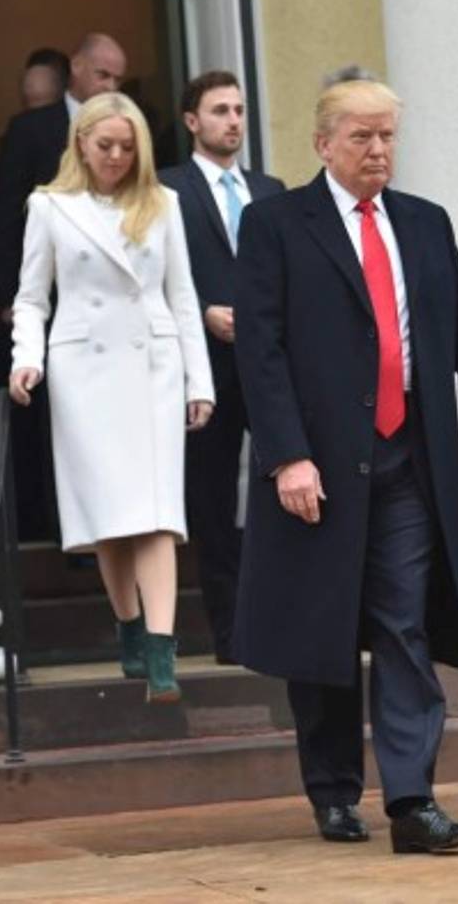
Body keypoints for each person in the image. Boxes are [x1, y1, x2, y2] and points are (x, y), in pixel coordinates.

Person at [232, 77, 458, 853]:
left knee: (404, 621)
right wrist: (288, 457)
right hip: (319, 463)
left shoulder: (425, 223)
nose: (378, 151)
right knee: (323, 629)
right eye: (362, 137)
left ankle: (412, 802)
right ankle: (335, 793)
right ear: (323, 144)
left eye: (388, 136)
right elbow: (261, 351)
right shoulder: (275, 225)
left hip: (409, 458)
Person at [7, 92, 215, 702]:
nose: (117, 157)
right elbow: (31, 298)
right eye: (106, 146)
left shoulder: (164, 203)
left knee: (156, 514)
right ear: (81, 143)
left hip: (152, 368)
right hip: (85, 373)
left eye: (127, 147)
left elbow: (182, 296)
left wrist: (199, 381)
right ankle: (128, 624)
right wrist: (26, 359)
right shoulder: (49, 206)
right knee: (110, 518)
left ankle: (161, 651)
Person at [159, 71, 285, 664]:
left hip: (269, 362)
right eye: (219, 110)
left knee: (287, 482)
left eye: (238, 109)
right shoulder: (166, 190)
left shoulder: (269, 188)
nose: (233, 120)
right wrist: (202, 311)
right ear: (192, 121)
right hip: (203, 367)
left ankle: (284, 620)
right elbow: (151, 275)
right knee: (211, 499)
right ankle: (230, 633)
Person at [0, 33, 127, 542]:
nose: (111, 87)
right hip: (52, 302)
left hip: (117, 311)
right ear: (77, 68)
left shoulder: (129, 129)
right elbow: (7, 215)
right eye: (103, 75)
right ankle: (65, 534)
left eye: (118, 78)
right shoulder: (32, 129)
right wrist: (10, 297)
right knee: (58, 422)